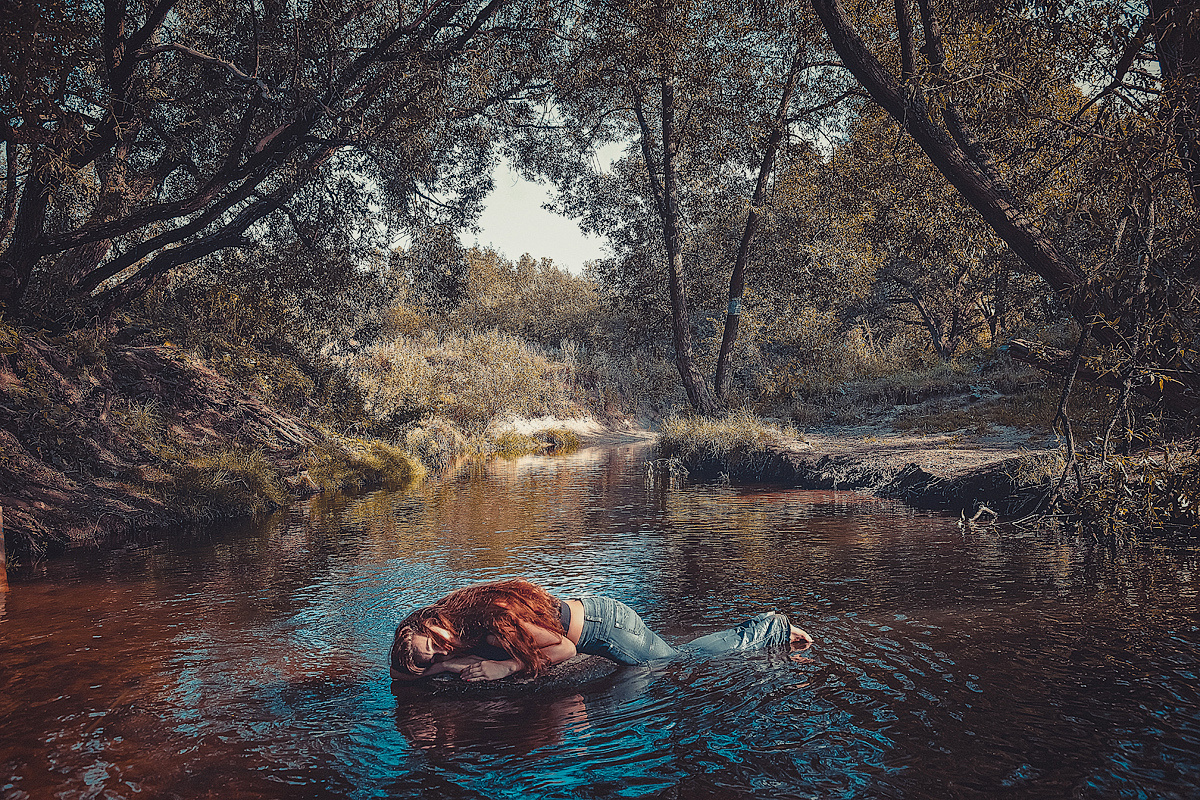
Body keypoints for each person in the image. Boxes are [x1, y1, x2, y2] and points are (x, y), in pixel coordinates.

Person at [389, 579, 813, 682]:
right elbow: (428, 662)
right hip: (601, 615)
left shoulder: (494, 625)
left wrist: (504, 669)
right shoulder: (462, 617)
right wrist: (433, 669)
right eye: (435, 657)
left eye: (436, 649)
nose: (441, 655)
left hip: (608, 628)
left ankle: (768, 628)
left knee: (676, 664)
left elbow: (563, 653)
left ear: (436, 626)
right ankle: (768, 628)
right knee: (674, 658)